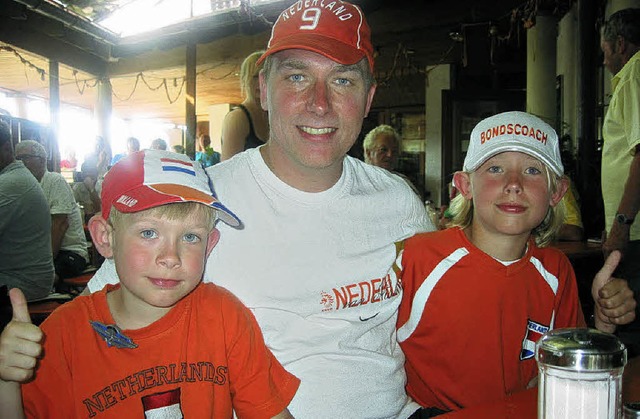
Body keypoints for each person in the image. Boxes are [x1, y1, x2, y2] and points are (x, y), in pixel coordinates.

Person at [87, 2, 434, 417]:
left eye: (342, 80)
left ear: (368, 98)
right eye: (297, 77)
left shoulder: (397, 199)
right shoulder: (199, 200)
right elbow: (99, 321)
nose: (319, 103)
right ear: (263, 89)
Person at [0, 149, 299, 418]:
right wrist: (6, 382)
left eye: (190, 237)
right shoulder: (61, 337)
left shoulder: (225, 317)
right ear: (106, 237)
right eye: (148, 233)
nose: (171, 257)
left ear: (209, 246)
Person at [397, 111, 637, 414]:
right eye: (495, 168)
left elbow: (560, 371)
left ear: (556, 192)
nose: (513, 184)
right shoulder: (417, 258)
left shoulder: (556, 269)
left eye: (533, 171)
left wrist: (601, 326)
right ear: (465, 185)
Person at [600, 7, 640, 357]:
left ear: (621, 44)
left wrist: (622, 225)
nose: (604, 60)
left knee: (630, 332)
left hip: (638, 232)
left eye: (605, 51)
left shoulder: (636, 71)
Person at [15, 140, 89, 281]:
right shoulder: (25, 187)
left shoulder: (54, 181)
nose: (21, 163)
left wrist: (45, 264)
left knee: (35, 279)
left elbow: (60, 225)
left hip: (68, 253)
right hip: (39, 253)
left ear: (42, 160)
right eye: (18, 159)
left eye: (26, 157)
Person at [0, 122, 54, 302]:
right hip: (29, 278)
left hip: (22, 282)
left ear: (7, 149)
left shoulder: (10, 183)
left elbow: (62, 222)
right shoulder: (17, 178)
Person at [220, 50, 269, 160]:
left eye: (266, 76)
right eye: (255, 77)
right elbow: (229, 169)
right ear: (245, 80)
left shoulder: (272, 115)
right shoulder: (237, 118)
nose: (260, 83)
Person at [363, 124, 421, 197]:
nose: (390, 155)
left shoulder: (402, 182)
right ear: (369, 153)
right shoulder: (357, 182)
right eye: (383, 150)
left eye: (394, 151)